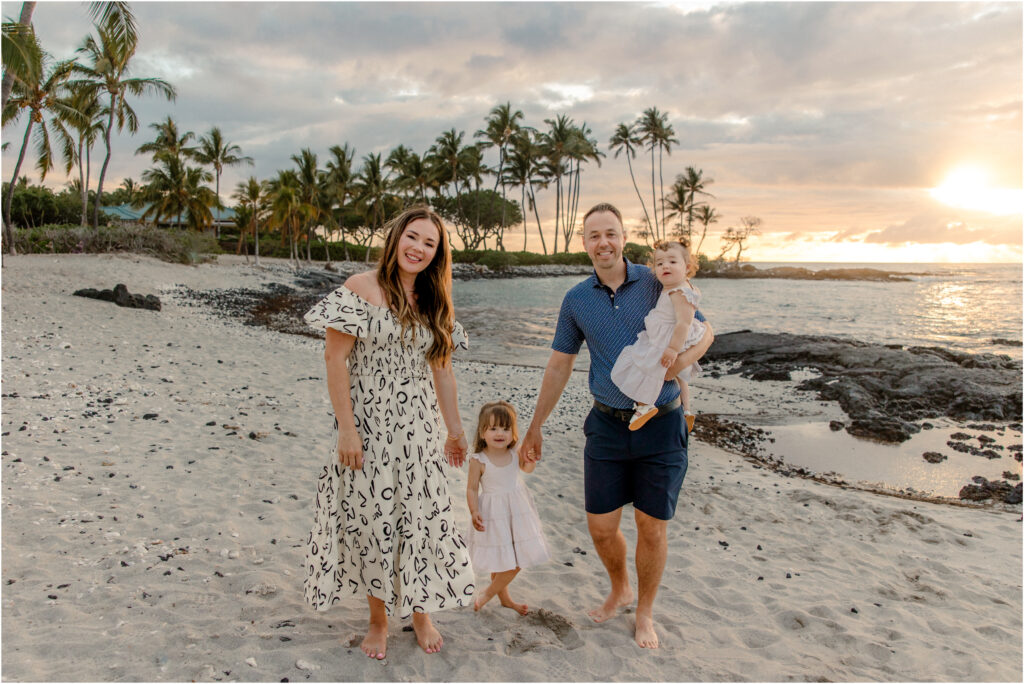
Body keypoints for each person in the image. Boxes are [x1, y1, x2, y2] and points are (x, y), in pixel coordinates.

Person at [519, 203, 714, 649]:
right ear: (584, 243)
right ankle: (619, 587)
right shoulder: (576, 300)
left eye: (611, 233)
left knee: (651, 526)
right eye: (594, 236)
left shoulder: (655, 278)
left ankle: (644, 612)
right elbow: (559, 365)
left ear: (624, 237)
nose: (603, 242)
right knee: (601, 527)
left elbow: (705, 332)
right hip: (605, 425)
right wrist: (535, 426)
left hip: (661, 424)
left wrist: (675, 367)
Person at [302, 205, 474, 660]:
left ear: (438, 254)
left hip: (419, 433)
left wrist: (456, 432)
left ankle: (421, 613)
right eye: (412, 237)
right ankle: (378, 619)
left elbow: (443, 372)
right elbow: (334, 360)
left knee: (418, 520)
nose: (418, 248)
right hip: (368, 430)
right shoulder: (361, 288)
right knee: (373, 523)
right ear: (396, 237)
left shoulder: (436, 302)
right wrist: (346, 431)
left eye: (429, 243)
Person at [610, 239, 707, 432]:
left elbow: (684, 323)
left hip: (669, 338)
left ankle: (645, 403)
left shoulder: (680, 292)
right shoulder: (677, 286)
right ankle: (687, 410)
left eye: (672, 262)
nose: (665, 266)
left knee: (648, 366)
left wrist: (672, 349)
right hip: (667, 333)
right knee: (681, 377)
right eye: (660, 263)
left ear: (687, 267)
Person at [465, 400, 550, 615]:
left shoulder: (515, 454)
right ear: (482, 432)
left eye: (505, 428)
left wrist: (531, 459)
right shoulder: (479, 460)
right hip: (493, 514)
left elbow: (527, 469)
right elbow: (472, 489)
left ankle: (491, 593)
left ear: (514, 432)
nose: (500, 433)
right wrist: (474, 510)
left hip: (517, 513)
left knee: (516, 559)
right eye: (493, 428)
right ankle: (499, 596)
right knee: (501, 558)